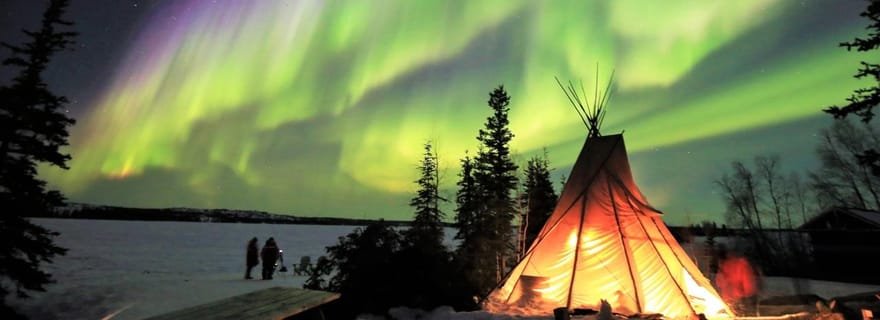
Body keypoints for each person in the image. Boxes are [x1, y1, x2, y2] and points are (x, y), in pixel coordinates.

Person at [714, 244, 760, 316]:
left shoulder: (735, 265)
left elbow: (719, 283)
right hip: (738, 298)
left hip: (738, 299)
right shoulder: (738, 264)